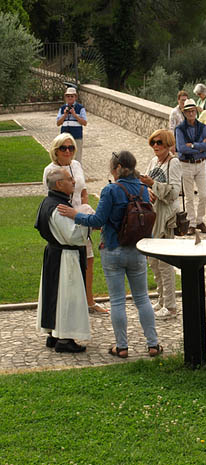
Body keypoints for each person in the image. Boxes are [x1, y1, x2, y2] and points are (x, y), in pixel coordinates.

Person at [58, 151, 163, 359]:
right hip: (137, 248)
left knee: (117, 301)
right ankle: (153, 344)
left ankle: (122, 346)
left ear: (116, 169)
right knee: (142, 299)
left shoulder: (110, 190)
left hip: (113, 249)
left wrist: (75, 215)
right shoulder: (144, 189)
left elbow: (97, 221)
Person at [43, 133, 108, 315]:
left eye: (71, 148)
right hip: (63, 217)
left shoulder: (77, 165)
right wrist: (70, 215)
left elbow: (84, 192)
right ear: (56, 151)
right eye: (63, 148)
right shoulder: (50, 170)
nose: (68, 151)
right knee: (69, 262)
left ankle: (89, 300)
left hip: (80, 216)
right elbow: (52, 198)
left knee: (88, 259)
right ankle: (70, 302)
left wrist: (84, 213)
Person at [36, 168, 90, 353]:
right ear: (59, 184)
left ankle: (54, 333)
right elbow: (74, 236)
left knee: (54, 294)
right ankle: (65, 338)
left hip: (54, 254)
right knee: (68, 296)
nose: (74, 182)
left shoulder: (48, 202)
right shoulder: (59, 209)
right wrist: (85, 218)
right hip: (66, 257)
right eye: (69, 179)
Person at [139, 129, 182, 320]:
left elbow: (174, 192)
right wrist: (147, 188)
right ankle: (162, 298)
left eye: (160, 143)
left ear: (168, 144)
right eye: (153, 143)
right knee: (153, 262)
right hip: (151, 217)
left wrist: (153, 184)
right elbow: (145, 185)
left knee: (165, 264)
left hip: (165, 219)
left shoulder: (174, 163)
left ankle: (171, 305)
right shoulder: (153, 162)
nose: (156, 146)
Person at [175, 98, 206, 235]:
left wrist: (194, 145)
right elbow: (181, 148)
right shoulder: (180, 129)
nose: (191, 114)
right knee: (189, 196)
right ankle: (191, 222)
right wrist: (200, 147)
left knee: (204, 195)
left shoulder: (202, 127)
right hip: (186, 164)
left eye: (193, 111)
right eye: (188, 111)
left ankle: (200, 220)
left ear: (196, 111)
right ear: (184, 113)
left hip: (201, 164)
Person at [56, 87, 87, 163]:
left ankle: (77, 173)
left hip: (77, 136)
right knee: (65, 156)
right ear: (65, 97)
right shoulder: (62, 108)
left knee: (77, 157)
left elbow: (84, 123)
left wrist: (75, 115)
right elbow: (58, 123)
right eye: (68, 96)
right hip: (65, 138)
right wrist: (65, 114)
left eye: (72, 96)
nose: (70, 98)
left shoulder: (80, 108)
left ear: (75, 97)